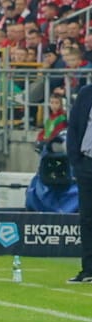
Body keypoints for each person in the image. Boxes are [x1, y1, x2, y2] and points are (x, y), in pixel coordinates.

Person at [65, 84, 92, 283]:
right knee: (87, 219)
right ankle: (89, 269)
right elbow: (73, 126)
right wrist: (76, 160)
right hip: (87, 164)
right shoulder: (86, 93)